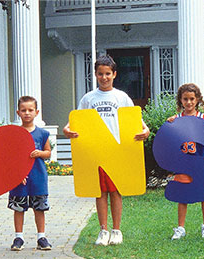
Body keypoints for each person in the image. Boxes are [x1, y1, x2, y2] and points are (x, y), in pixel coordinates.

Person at [63, 55, 150, 246]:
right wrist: (67, 130)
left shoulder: (121, 97)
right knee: (99, 191)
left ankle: (116, 230)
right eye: (100, 74)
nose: (104, 77)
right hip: (96, 151)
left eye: (108, 74)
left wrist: (146, 130)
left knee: (115, 191)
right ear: (95, 74)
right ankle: (103, 230)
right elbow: (75, 121)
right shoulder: (88, 98)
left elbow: (135, 120)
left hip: (116, 150)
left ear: (114, 74)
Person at [165, 83, 204, 240]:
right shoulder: (177, 119)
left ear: (198, 99)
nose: (189, 102)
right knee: (182, 195)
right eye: (185, 99)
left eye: (192, 99)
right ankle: (181, 228)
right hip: (183, 164)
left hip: (200, 162)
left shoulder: (202, 118)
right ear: (180, 100)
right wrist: (170, 124)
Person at [8, 96, 52, 251]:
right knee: (18, 208)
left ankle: (41, 237)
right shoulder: (14, 133)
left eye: (30, 110)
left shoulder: (42, 133)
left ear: (37, 112)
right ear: (18, 112)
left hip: (38, 177)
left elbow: (48, 153)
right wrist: (16, 174)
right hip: (19, 179)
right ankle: (18, 237)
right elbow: (9, 157)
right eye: (24, 110)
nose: (27, 113)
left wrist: (40, 153)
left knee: (39, 208)